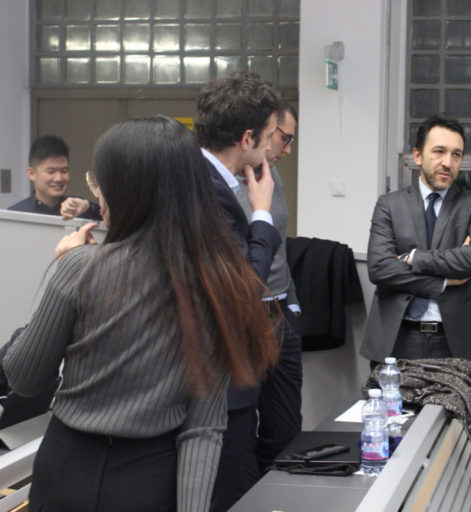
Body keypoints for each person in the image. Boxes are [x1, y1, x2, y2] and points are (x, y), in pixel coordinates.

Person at [3, 116, 278, 511]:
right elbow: (203, 428)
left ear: (125, 191)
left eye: (101, 184)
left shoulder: (80, 268)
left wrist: (62, 279)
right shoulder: (216, 283)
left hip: (66, 469)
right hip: (150, 479)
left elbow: (25, 378)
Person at [194, 69, 283, 511]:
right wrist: (262, 214)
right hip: (217, 383)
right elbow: (245, 287)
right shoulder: (208, 192)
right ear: (247, 138)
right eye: (268, 138)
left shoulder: (201, 178)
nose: (271, 149)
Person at [360, 113, 471, 365]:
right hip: (398, 338)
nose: (448, 162)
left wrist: (413, 258)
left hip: (457, 341)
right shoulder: (389, 205)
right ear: (417, 156)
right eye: (439, 151)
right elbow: (380, 268)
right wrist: (443, 281)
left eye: (456, 154)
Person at [232, 100, 303, 472]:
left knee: (286, 429)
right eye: (284, 138)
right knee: (240, 431)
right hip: (242, 316)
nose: (287, 150)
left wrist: (292, 304)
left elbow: (279, 242)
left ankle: (274, 491)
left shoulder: (271, 174)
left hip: (280, 312)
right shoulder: (224, 182)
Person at [7, 135, 101, 220]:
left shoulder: (79, 209)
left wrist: (88, 206)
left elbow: (108, 216)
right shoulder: (15, 214)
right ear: (31, 173)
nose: (59, 178)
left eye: (64, 171)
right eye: (51, 172)